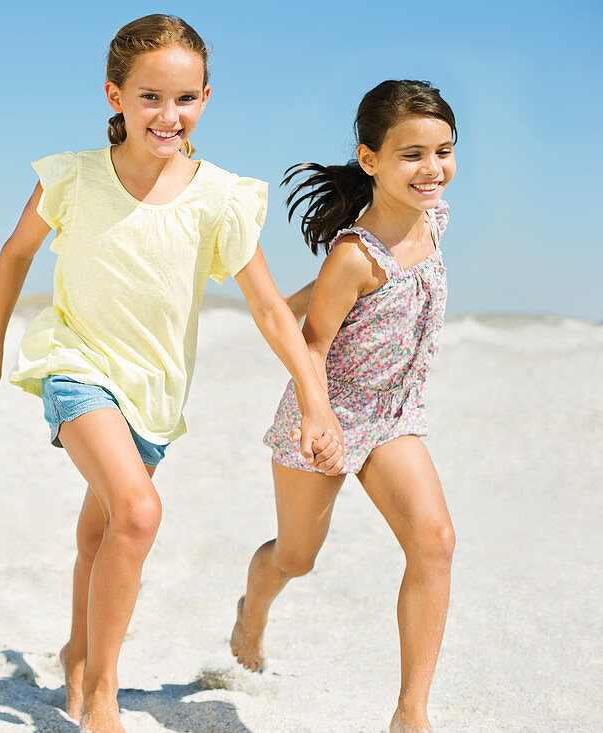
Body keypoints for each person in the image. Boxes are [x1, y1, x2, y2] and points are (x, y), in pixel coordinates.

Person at [0, 15, 344, 733]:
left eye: (186, 98)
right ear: (115, 96)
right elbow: (15, 254)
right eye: (150, 97)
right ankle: (102, 691)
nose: (169, 115)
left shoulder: (220, 197)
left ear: (204, 99)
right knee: (137, 513)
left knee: (104, 530)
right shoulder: (72, 178)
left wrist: (316, 402)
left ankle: (77, 649)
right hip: (76, 364)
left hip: (156, 393)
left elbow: (266, 306)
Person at [230, 80, 458, 733]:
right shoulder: (354, 254)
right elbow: (312, 344)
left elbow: (340, 300)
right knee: (296, 557)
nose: (432, 168)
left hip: (394, 414)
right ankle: (251, 612)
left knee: (435, 540)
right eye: (411, 154)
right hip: (326, 409)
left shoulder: (436, 216)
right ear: (369, 160)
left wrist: (296, 294)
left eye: (443, 151)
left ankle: (410, 713)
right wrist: (318, 417)